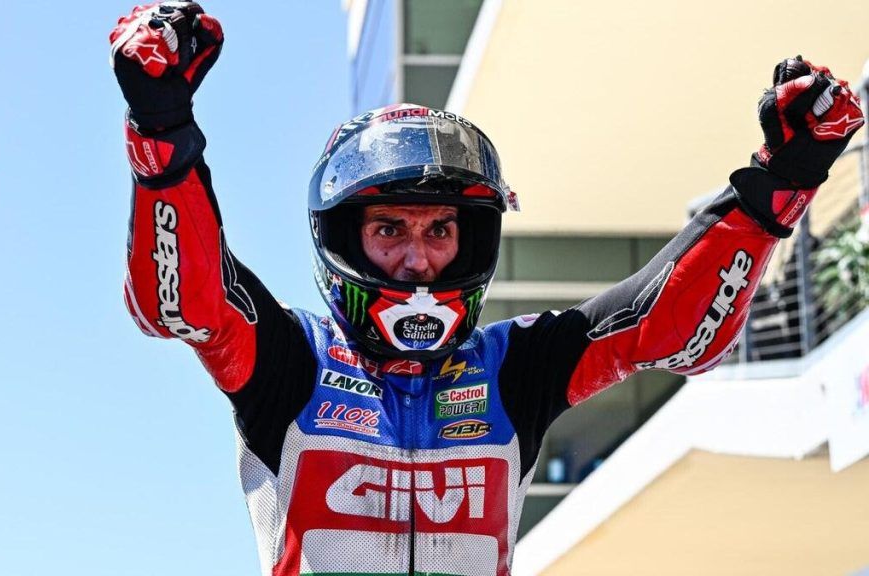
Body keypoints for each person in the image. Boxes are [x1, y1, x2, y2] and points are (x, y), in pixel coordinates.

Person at [109, 3, 864, 575]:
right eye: (390, 230)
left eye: (440, 231)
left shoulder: (513, 367)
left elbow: (664, 328)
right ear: (343, 238)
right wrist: (163, 135)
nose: (417, 259)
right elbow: (180, 301)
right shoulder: (288, 360)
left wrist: (778, 188)